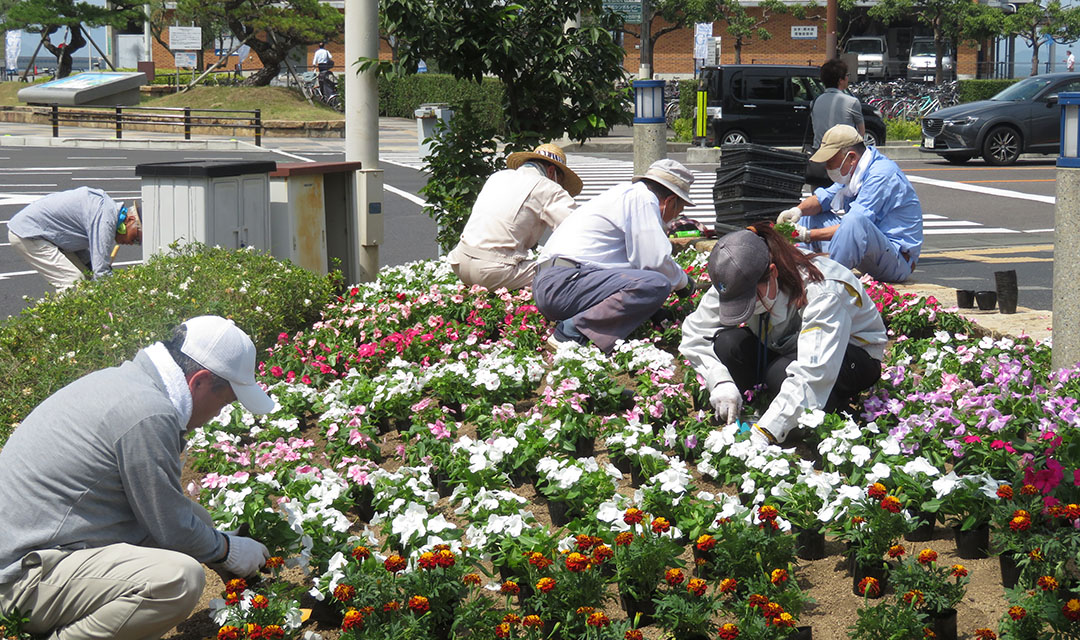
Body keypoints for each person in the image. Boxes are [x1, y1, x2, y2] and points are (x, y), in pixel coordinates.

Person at [0, 315, 275, 640]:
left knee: (197, 519)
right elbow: (171, 529)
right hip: (18, 580)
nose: (217, 414)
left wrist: (224, 552)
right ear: (199, 381)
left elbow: (172, 518)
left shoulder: (131, 384)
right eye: (223, 402)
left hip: (39, 546)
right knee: (176, 580)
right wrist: (228, 549)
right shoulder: (148, 414)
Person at [680, 224, 887, 446]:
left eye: (750, 300)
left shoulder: (824, 291)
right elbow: (695, 332)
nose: (745, 307)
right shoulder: (737, 279)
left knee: (781, 374)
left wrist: (766, 432)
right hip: (787, 346)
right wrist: (720, 380)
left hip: (851, 355)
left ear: (773, 272)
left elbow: (814, 372)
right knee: (728, 344)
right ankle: (772, 401)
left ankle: (835, 413)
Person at [532, 158, 697, 352]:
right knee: (657, 283)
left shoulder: (623, 195)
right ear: (670, 201)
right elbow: (654, 261)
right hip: (564, 284)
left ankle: (576, 325)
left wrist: (652, 310)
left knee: (648, 282)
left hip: (553, 284)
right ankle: (570, 333)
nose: (674, 219)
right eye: (678, 211)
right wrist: (683, 282)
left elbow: (626, 271)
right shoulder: (642, 198)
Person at [776, 124, 922, 283]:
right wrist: (796, 211)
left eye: (830, 161)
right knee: (809, 216)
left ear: (851, 157)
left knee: (854, 222)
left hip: (896, 261)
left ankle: (831, 281)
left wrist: (806, 235)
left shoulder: (881, 175)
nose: (826, 167)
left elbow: (856, 225)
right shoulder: (855, 172)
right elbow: (822, 199)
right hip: (871, 251)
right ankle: (801, 270)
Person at [447, 143, 582, 291]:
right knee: (567, 271)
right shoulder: (548, 187)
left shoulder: (497, 176)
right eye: (561, 182)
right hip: (496, 271)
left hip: (459, 262)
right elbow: (576, 230)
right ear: (551, 172)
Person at [7, 186, 142, 292]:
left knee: (85, 278)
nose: (131, 243)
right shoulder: (106, 220)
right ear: (129, 220)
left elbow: (84, 256)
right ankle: (51, 326)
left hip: (47, 235)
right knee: (72, 282)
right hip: (28, 233)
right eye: (135, 238)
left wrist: (90, 269)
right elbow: (101, 272)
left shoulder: (105, 210)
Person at [806, 58, 865, 191]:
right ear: (840, 80)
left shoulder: (814, 102)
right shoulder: (852, 102)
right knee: (847, 199)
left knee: (818, 200)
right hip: (843, 159)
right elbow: (860, 134)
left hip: (819, 158)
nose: (847, 79)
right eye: (846, 76)